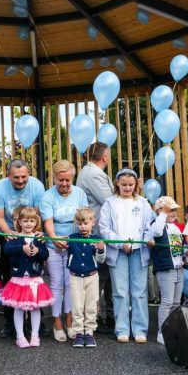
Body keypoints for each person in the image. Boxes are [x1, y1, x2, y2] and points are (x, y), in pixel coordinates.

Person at [0, 159, 46, 338]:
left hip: (31, 233)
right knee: (10, 278)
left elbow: (37, 214)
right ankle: (10, 322)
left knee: (34, 278)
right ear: (8, 176)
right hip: (9, 233)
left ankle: (38, 320)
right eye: (16, 178)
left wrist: (36, 233)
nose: (21, 180)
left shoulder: (36, 186)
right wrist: (11, 234)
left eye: (24, 177)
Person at [98, 167, 154, 344]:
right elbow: (104, 228)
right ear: (117, 184)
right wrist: (120, 243)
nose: (127, 188)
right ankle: (122, 328)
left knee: (139, 291)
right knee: (120, 291)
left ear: (136, 184)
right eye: (124, 185)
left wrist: (147, 239)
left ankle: (140, 329)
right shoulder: (110, 203)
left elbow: (149, 226)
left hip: (139, 251)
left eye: (130, 185)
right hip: (119, 252)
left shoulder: (143, 203)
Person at [40, 159, 88, 342]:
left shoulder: (80, 194)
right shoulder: (48, 196)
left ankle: (69, 319)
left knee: (71, 283)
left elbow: (84, 218)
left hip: (74, 245)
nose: (65, 184)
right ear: (54, 178)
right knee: (56, 283)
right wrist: (54, 238)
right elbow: (48, 222)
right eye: (61, 180)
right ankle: (56, 320)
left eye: (68, 180)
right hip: (54, 245)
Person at [0, 207, 53, 348]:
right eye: (25, 221)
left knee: (35, 308)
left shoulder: (39, 238)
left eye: (31, 221)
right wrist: (21, 248)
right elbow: (7, 250)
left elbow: (45, 254)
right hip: (18, 279)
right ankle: (20, 336)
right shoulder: (14, 237)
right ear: (20, 222)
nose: (28, 224)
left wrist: (38, 250)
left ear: (36, 222)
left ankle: (35, 335)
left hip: (34, 279)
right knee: (18, 308)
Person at [76, 142, 115, 333]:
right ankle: (98, 318)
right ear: (105, 157)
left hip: (98, 231)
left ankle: (104, 316)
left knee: (102, 278)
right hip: (98, 231)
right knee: (100, 278)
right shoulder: (94, 174)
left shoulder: (88, 171)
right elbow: (110, 201)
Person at [146, 196, 185, 346]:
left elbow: (177, 246)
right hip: (166, 269)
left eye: (174, 210)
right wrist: (162, 214)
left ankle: (173, 330)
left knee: (176, 302)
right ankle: (161, 332)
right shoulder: (157, 224)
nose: (174, 213)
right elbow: (156, 233)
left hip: (178, 267)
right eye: (170, 210)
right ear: (160, 211)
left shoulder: (175, 227)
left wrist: (185, 255)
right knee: (167, 302)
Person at [66, 207, 106, 348]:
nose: (83, 226)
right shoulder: (71, 238)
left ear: (93, 223)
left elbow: (100, 260)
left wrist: (101, 249)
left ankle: (89, 332)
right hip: (75, 277)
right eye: (80, 223)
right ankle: (78, 333)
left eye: (86, 223)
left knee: (91, 305)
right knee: (77, 305)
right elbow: (59, 248)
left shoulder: (97, 240)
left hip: (92, 277)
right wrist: (62, 243)